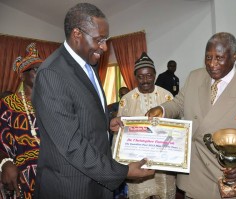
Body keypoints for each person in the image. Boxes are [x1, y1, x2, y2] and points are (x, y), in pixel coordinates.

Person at [31, 3, 154, 199]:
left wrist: (105, 123)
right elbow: (71, 144)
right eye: (100, 40)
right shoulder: (51, 74)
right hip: (72, 186)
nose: (104, 47)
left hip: (96, 180)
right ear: (77, 34)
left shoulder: (88, 63)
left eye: (106, 40)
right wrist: (122, 172)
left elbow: (81, 109)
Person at [146, 32, 236, 198]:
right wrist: (162, 110)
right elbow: (179, 103)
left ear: (234, 56)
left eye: (219, 58)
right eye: (208, 57)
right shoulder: (195, 77)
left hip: (227, 178)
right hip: (195, 176)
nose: (212, 64)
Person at [117, 52, 175, 199]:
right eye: (140, 76)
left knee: (163, 192)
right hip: (138, 161)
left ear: (155, 75)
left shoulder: (167, 96)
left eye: (149, 75)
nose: (145, 80)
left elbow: (176, 128)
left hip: (162, 160)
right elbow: (119, 133)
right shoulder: (127, 100)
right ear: (135, 77)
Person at [0, 43, 43, 199]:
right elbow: (1, 143)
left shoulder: (53, 102)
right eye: (36, 69)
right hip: (23, 177)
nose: (41, 73)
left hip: (56, 174)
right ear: (21, 75)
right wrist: (5, 162)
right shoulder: (8, 105)